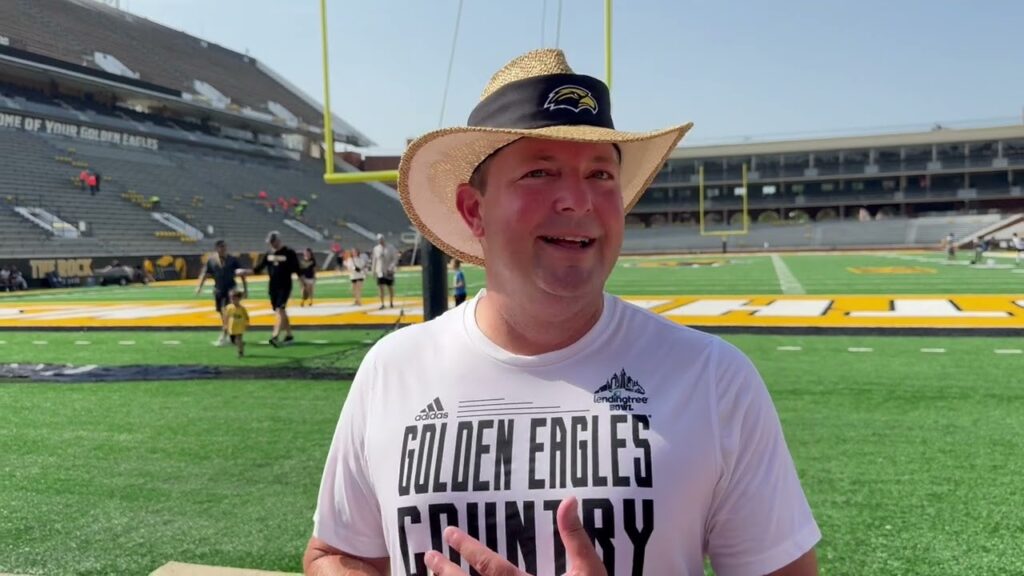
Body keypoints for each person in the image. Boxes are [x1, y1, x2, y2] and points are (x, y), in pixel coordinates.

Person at [304, 49, 819, 576]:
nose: (578, 200)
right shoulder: (393, 369)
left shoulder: (713, 379)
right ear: (474, 210)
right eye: (541, 172)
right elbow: (335, 555)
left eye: (600, 174)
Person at [195, 239, 248, 346]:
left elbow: (241, 274)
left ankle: (225, 333)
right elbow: (205, 274)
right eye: (221, 247)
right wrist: (199, 287)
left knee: (228, 311)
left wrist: (245, 288)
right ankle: (230, 333)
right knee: (221, 312)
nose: (223, 249)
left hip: (231, 290)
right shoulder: (212, 260)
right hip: (219, 289)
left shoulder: (232, 260)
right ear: (217, 248)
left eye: (224, 247)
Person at [253, 230, 300, 347]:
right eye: (270, 242)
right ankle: (289, 335)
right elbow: (258, 268)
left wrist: (303, 283)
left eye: (273, 241)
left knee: (280, 309)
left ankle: (275, 335)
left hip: (285, 285)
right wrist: (245, 272)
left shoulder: (288, 252)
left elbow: (297, 269)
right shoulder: (268, 254)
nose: (271, 244)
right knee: (280, 311)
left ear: (278, 240)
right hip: (273, 286)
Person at [371, 233, 398, 309]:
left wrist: (391, 267)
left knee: (390, 287)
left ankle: (391, 302)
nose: (380, 241)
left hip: (389, 270)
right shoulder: (376, 249)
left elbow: (395, 258)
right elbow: (374, 260)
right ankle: (382, 303)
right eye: (379, 240)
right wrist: (373, 271)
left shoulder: (391, 247)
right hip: (380, 271)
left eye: (381, 239)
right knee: (380, 287)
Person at [224, 288, 249, 358]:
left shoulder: (242, 308)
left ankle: (240, 352)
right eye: (231, 299)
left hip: (240, 326)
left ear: (239, 299)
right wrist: (225, 325)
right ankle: (240, 345)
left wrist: (247, 323)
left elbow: (246, 316)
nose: (233, 300)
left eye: (234, 299)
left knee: (239, 338)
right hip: (232, 326)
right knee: (233, 340)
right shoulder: (229, 307)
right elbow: (226, 316)